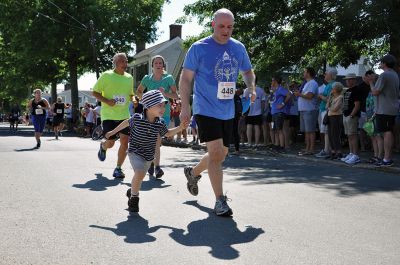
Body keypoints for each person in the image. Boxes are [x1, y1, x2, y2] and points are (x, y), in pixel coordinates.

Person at [179, 8, 256, 217]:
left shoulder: (238, 48)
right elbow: (185, 79)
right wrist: (185, 107)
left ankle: (193, 172)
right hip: (204, 107)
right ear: (213, 25)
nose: (226, 30)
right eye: (221, 26)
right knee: (214, 153)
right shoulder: (199, 48)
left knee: (221, 154)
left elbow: (248, 72)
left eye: (230, 27)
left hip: (227, 109)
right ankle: (220, 201)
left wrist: (251, 87)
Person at [105, 90, 189, 212]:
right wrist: (112, 132)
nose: (163, 108)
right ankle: (134, 199)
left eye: (163, 105)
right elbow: (125, 123)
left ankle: (131, 191)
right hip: (135, 152)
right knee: (139, 173)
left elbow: (168, 133)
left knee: (140, 177)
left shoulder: (159, 123)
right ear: (148, 106)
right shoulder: (137, 118)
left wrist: (180, 128)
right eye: (159, 105)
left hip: (149, 156)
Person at [136, 55, 179, 178]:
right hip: (149, 114)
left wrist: (165, 93)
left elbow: (176, 95)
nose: (159, 65)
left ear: (163, 65)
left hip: (163, 114)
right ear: (152, 65)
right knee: (154, 141)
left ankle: (156, 166)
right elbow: (138, 92)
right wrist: (144, 100)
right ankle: (154, 164)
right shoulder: (147, 79)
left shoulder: (168, 78)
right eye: (156, 63)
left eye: (161, 63)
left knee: (157, 140)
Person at [93, 52, 134, 178]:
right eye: (122, 61)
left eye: (126, 61)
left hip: (124, 115)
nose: (125, 64)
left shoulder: (129, 78)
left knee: (125, 142)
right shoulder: (106, 76)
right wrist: (107, 101)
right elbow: (95, 92)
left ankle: (118, 168)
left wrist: (134, 99)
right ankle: (103, 146)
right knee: (110, 143)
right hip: (109, 115)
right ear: (115, 63)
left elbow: (130, 94)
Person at [367, 54, 400, 167]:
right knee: (387, 132)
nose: (380, 64)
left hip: (385, 109)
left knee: (387, 132)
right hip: (390, 108)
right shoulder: (394, 74)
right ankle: (387, 158)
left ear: (385, 64)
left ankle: (387, 159)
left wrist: (371, 82)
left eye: (381, 62)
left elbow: (375, 92)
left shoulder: (384, 75)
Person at [294, 67, 319, 155]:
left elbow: (310, 96)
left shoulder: (312, 83)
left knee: (310, 130)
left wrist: (299, 94)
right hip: (304, 110)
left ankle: (311, 149)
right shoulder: (307, 83)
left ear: (308, 73)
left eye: (304, 72)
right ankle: (307, 148)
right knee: (306, 131)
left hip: (310, 110)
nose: (303, 73)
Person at [316, 67, 337, 158]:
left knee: (326, 131)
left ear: (331, 75)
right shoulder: (329, 85)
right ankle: (326, 149)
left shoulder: (332, 85)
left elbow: (329, 99)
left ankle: (327, 150)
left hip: (326, 110)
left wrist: (320, 96)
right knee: (325, 131)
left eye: (326, 73)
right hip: (323, 110)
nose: (324, 75)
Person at [341, 73, 361, 165]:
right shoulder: (347, 90)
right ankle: (351, 153)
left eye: (350, 79)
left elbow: (357, 105)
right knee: (349, 136)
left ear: (354, 80)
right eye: (347, 79)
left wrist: (352, 115)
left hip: (351, 116)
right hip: (345, 115)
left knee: (353, 135)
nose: (347, 81)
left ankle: (355, 155)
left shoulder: (356, 90)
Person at [270, 75, 291, 152]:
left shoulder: (281, 89)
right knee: (274, 129)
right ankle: (276, 145)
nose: (271, 82)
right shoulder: (275, 90)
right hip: (273, 113)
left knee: (279, 130)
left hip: (279, 113)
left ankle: (282, 146)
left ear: (275, 81)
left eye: (272, 80)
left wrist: (282, 104)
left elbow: (289, 94)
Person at [243, 81, 265, 149]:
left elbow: (244, 101)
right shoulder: (261, 90)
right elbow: (263, 101)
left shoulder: (246, 90)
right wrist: (262, 110)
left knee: (249, 126)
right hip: (258, 112)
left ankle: (249, 143)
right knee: (256, 127)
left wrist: (244, 111)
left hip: (249, 111)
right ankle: (256, 143)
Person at [326, 82, 344, 159]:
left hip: (336, 117)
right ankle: (333, 151)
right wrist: (330, 97)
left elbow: (335, 109)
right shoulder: (333, 97)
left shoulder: (340, 97)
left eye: (333, 88)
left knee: (335, 134)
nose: (331, 90)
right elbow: (327, 106)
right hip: (330, 117)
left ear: (336, 89)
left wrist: (329, 108)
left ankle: (338, 151)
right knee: (330, 134)